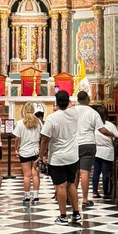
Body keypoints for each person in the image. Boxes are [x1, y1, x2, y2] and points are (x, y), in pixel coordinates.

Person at [37, 90, 82, 225]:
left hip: (57, 157)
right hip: (73, 156)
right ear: (68, 102)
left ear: (56, 103)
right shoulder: (75, 113)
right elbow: (72, 107)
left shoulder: (52, 118)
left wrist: (40, 156)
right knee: (71, 184)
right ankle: (76, 213)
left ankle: (63, 216)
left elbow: (45, 139)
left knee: (61, 187)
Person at [74, 91, 116, 207]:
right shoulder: (93, 112)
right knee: (85, 172)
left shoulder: (72, 111)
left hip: (75, 143)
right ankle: (85, 199)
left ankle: (72, 197)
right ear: (87, 99)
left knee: (76, 173)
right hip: (88, 143)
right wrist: (113, 135)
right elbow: (102, 130)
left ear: (78, 100)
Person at [13, 102, 42, 203]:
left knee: (27, 175)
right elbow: (42, 135)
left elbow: (17, 138)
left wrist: (16, 149)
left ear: (24, 111)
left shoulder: (20, 123)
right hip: (35, 151)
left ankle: (26, 196)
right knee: (35, 175)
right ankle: (36, 195)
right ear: (33, 110)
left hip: (24, 151)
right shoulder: (38, 122)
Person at [93, 106, 118, 199]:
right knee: (105, 173)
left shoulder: (93, 125)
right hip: (107, 151)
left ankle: (95, 192)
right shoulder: (110, 126)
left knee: (96, 172)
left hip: (96, 151)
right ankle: (106, 192)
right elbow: (117, 137)